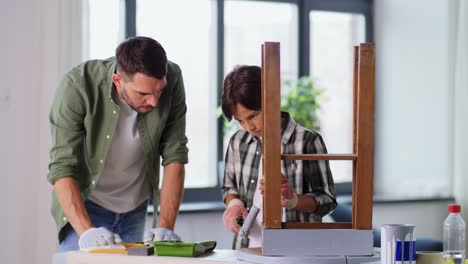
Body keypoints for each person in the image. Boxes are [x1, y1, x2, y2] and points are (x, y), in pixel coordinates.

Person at [47, 36, 188, 251]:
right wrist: (87, 231)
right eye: (143, 93)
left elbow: (174, 155)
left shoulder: (174, 77)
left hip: (135, 206)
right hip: (87, 204)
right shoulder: (77, 86)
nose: (154, 101)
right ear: (117, 80)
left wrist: (165, 227)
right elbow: (62, 167)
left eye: (159, 90)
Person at [220, 65, 337, 248]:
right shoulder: (238, 141)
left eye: (253, 116)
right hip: (246, 249)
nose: (249, 127)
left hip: (298, 250)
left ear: (272, 101)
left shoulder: (307, 140)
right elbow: (229, 187)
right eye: (240, 121)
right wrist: (233, 204)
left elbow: (327, 200)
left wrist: (295, 200)